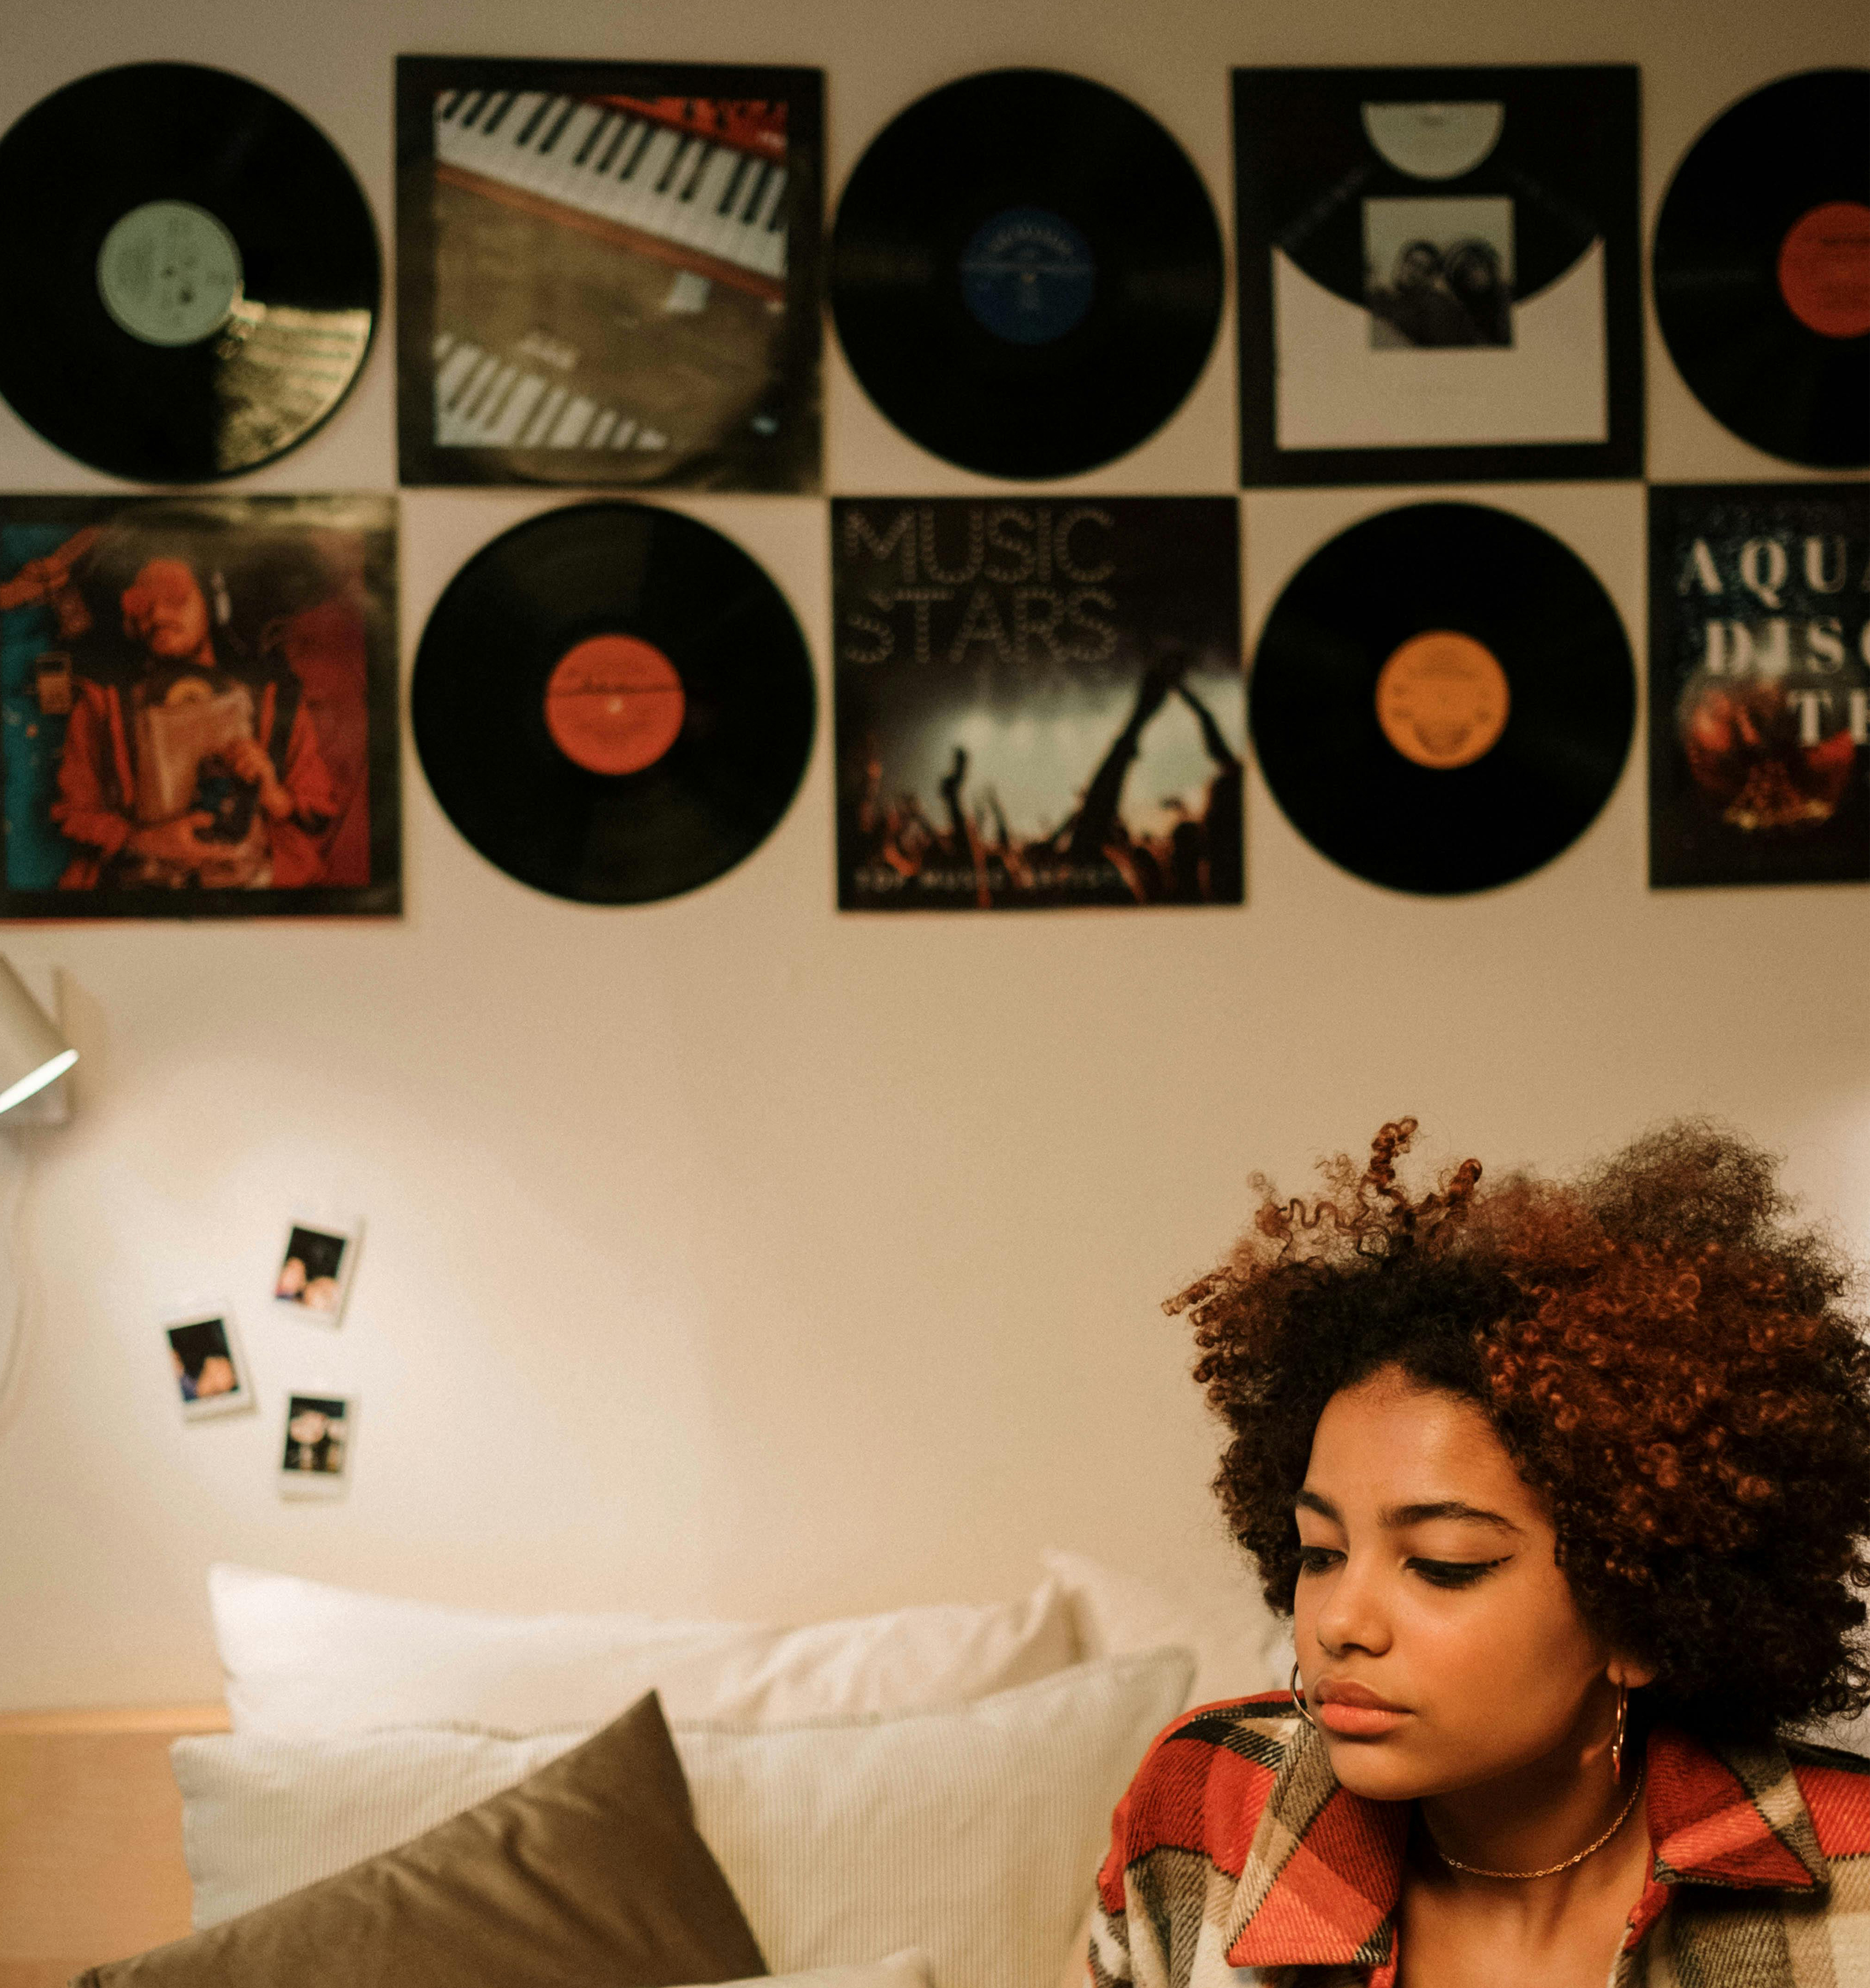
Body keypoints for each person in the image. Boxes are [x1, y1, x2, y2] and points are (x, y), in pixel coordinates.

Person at [1092, 1119, 1870, 1987]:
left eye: (1442, 1564)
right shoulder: (1207, 1802)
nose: (1340, 1624)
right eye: (1320, 1553)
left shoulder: (1857, 1882)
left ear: (1640, 1615)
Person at [51, 544, 337, 888]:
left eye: (174, 595)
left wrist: (274, 795)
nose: (156, 614)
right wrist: (145, 841)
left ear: (215, 603)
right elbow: (72, 817)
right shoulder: (101, 707)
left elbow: (319, 811)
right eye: (142, 601)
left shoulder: (277, 701)